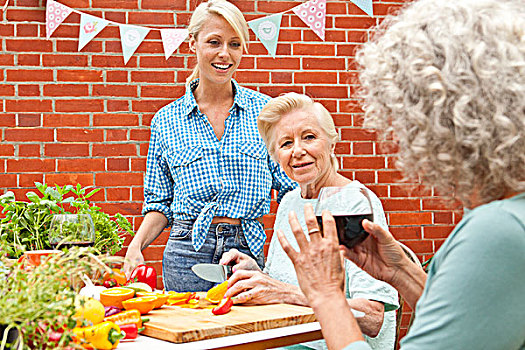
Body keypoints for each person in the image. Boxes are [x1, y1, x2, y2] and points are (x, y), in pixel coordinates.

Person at [277, 0, 525, 349]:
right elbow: (470, 321)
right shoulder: (506, 212)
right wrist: (403, 274)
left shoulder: (497, 231)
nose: (401, 133)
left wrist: (325, 295)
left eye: (408, 115)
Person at [123, 0, 297, 292]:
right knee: (192, 333)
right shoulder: (166, 120)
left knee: (247, 334)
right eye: (213, 42)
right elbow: (159, 204)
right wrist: (136, 246)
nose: (224, 54)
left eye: (234, 44)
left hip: (247, 252)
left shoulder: (265, 113)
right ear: (193, 43)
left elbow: (291, 188)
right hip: (186, 253)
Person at [221, 93, 399, 349]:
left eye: (309, 137)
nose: (298, 151)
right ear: (276, 157)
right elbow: (286, 285)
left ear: (331, 142)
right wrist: (256, 274)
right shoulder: (290, 202)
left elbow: (373, 317)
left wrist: (282, 292)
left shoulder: (355, 203)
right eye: (285, 144)